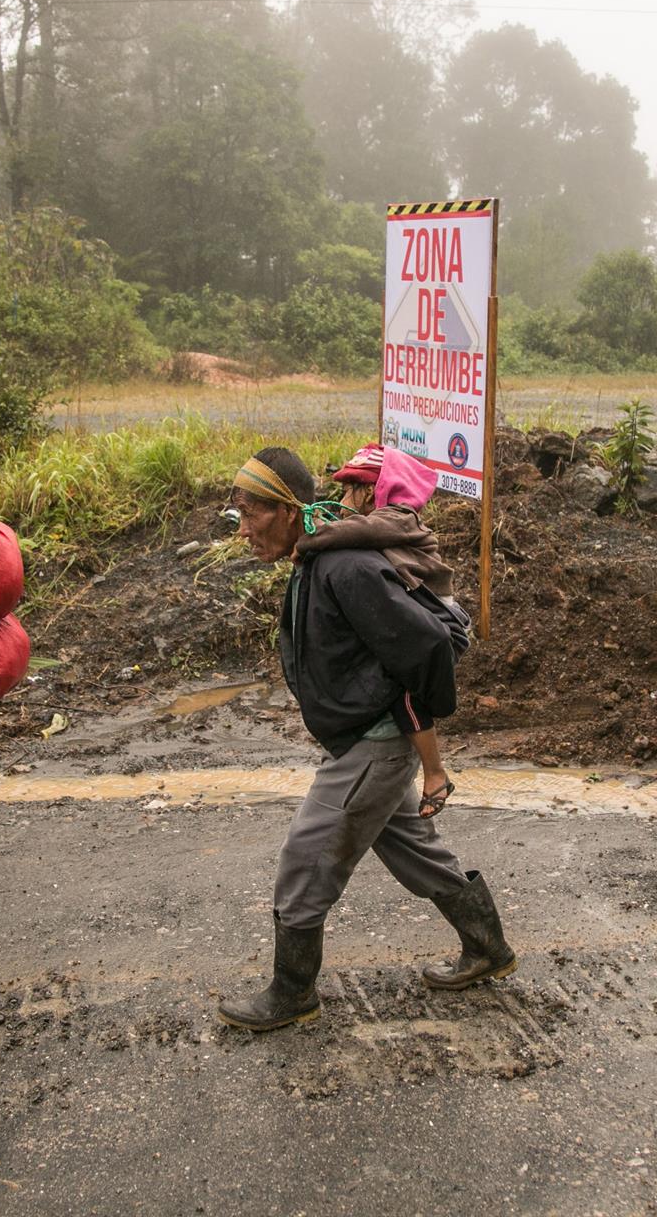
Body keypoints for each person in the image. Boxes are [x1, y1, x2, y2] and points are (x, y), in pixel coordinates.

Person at [218, 446, 516, 1032]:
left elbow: (427, 645)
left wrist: (407, 730)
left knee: (306, 860)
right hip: (364, 739)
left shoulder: (343, 567)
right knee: (414, 849)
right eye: (240, 513)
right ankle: (489, 949)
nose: (244, 529)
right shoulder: (315, 556)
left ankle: (292, 993)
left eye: (252, 513)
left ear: (285, 509)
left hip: (373, 744)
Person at [296, 442, 470, 817]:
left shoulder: (397, 517)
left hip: (438, 621)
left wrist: (307, 541)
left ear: (371, 491)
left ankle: (436, 772)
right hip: (418, 614)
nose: (342, 498)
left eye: (348, 489)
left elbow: (351, 530)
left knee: (401, 691)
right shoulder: (383, 524)